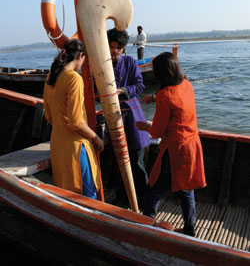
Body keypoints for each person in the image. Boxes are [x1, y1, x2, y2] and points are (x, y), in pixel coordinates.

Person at [136, 52, 206, 236]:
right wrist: (153, 98)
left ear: (160, 74)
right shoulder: (187, 85)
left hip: (174, 150)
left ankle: (146, 227)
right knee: (186, 189)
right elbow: (178, 106)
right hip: (191, 145)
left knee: (154, 188)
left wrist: (145, 126)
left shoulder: (165, 96)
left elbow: (157, 132)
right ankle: (190, 230)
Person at [43, 38, 104, 199]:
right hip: (76, 148)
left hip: (58, 145)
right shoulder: (74, 79)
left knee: (66, 196)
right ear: (80, 56)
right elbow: (76, 121)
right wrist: (96, 138)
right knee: (86, 197)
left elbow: (49, 115)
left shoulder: (51, 77)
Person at [103, 28, 151, 206]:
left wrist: (123, 90)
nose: (114, 50)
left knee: (137, 161)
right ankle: (124, 198)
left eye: (118, 47)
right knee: (118, 161)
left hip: (132, 117)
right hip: (113, 118)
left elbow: (139, 85)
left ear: (123, 48)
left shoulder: (130, 62)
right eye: (111, 46)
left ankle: (145, 200)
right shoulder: (102, 65)